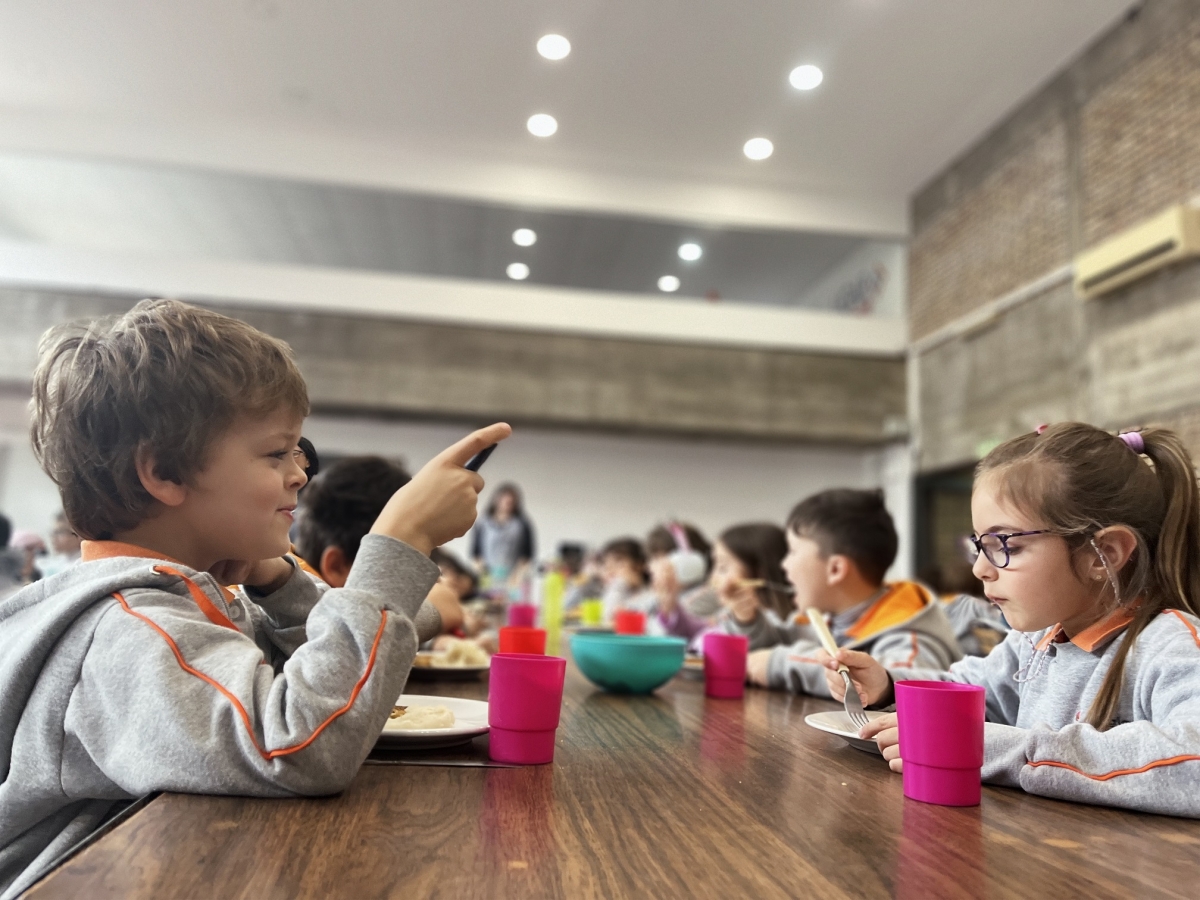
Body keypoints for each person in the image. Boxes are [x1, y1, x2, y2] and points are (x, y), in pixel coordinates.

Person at [0, 298, 511, 899]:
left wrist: (278, 583)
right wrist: (401, 543)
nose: (300, 473)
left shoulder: (191, 596)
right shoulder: (127, 632)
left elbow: (320, 667)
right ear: (164, 474)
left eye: (299, 450)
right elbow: (296, 747)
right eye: (276, 453)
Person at [834, 424, 1200, 818]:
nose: (979, 569)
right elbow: (967, 696)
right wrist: (888, 687)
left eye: (1006, 544)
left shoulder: (1170, 646)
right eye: (979, 545)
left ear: (1104, 554)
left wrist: (999, 749)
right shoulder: (1037, 641)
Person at [745, 488, 961, 694]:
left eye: (792, 551)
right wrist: (747, 620)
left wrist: (779, 664)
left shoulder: (911, 637)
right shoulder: (831, 620)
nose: (784, 565)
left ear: (836, 569)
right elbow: (771, 643)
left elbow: (904, 686)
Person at [293, 455, 464, 633]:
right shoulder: (301, 625)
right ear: (339, 567)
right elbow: (358, 637)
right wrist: (434, 613)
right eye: (407, 572)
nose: (430, 584)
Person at [711, 523, 795, 649]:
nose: (713, 577)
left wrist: (746, 620)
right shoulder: (724, 615)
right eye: (714, 565)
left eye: (723, 568)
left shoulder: (784, 625)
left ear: (759, 574)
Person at [644, 522, 720, 618]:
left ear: (685, 562)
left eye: (656, 558)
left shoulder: (703, 597)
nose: (648, 567)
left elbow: (665, 629)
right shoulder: (667, 595)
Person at [470, 483, 535, 585]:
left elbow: (527, 555)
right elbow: (476, 553)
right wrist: (482, 574)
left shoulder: (521, 525)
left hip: (513, 577)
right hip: (487, 576)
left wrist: (517, 576)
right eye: (504, 501)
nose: (506, 505)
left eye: (510, 503)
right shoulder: (483, 523)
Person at [37, 512, 82, 578]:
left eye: (60, 532)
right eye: (53, 532)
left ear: (78, 534)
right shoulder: (53, 565)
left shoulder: (84, 563)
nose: (54, 537)